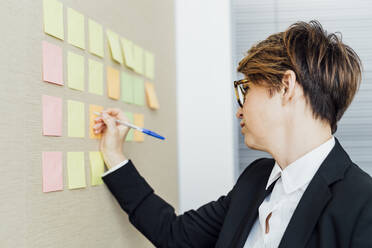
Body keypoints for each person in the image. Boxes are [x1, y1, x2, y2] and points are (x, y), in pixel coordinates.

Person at [93, 21, 372, 248]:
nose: (239, 112)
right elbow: (175, 235)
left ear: (286, 86)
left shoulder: (363, 203)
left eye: (246, 90)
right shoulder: (257, 178)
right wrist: (114, 155)